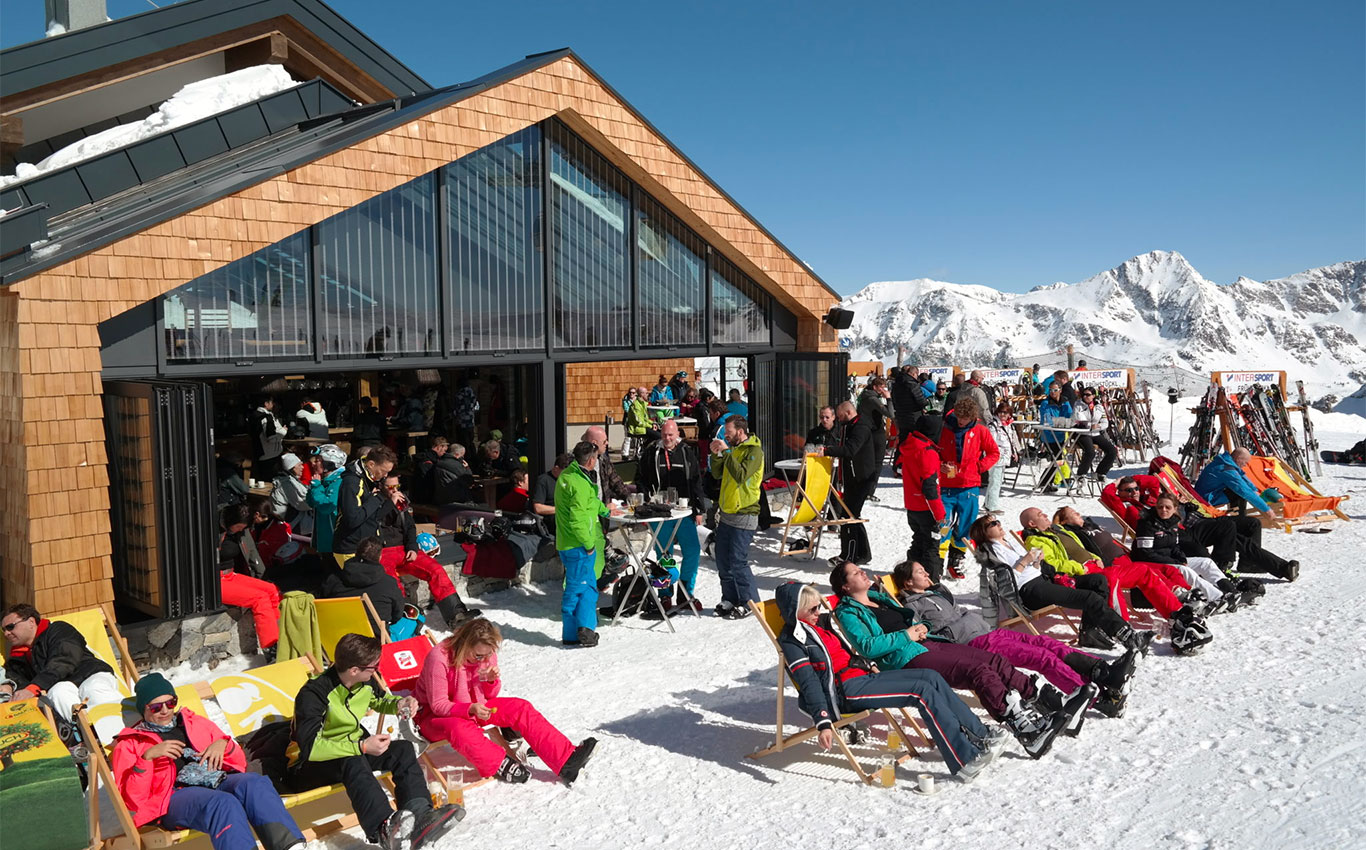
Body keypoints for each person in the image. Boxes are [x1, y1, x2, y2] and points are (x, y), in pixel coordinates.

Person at [829, 562, 1081, 755]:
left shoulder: (878, 599)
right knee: (977, 671)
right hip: (903, 659)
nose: (862, 573)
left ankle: (1045, 705)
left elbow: (913, 620)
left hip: (928, 644)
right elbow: (867, 647)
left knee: (994, 661)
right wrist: (907, 635)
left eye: (860, 569)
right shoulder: (848, 611)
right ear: (845, 586)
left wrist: (922, 626)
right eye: (854, 573)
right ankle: (1025, 731)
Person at [774, 581, 1007, 783]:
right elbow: (809, 682)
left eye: (817, 606)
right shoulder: (794, 640)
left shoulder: (820, 627)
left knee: (930, 676)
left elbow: (844, 654)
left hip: (861, 677)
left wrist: (866, 664)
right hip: (845, 691)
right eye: (812, 609)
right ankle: (963, 759)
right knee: (920, 692)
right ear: (796, 611)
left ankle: (980, 734)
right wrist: (823, 721)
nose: (818, 612)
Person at [289, 634, 464, 850]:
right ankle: (384, 829)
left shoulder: (364, 680)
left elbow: (379, 700)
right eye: (374, 667)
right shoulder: (314, 694)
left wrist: (399, 704)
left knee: (402, 750)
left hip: (351, 749)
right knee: (352, 760)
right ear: (354, 670)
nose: (377, 670)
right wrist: (361, 746)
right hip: (310, 765)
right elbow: (311, 748)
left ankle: (420, 814)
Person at [110, 673, 305, 850]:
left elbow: (238, 762)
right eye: (155, 707)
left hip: (215, 779)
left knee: (254, 782)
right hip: (171, 797)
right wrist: (147, 758)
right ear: (143, 709)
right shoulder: (130, 743)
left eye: (170, 703)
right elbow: (132, 801)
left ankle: (289, 846)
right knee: (222, 803)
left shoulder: (193, 722)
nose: (164, 711)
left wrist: (223, 745)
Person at [889, 560, 1133, 700]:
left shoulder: (935, 592)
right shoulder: (912, 607)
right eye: (920, 572)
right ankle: (1093, 698)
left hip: (988, 631)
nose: (927, 573)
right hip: (975, 643)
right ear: (908, 582)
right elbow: (925, 636)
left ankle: (1103, 673)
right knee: (1041, 658)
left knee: (1048, 644)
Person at [970, 517, 1134, 717]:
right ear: (983, 532)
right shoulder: (991, 554)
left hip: (1041, 580)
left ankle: (1099, 649)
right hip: (1030, 591)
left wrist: (1036, 562)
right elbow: (1005, 586)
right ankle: (1126, 637)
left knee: (1096, 582)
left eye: (997, 521)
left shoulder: (1010, 542)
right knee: (1086, 601)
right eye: (992, 524)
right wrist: (1025, 561)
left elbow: (1030, 569)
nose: (998, 524)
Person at [415, 618, 597, 785]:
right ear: (464, 644)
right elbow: (438, 705)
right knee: (459, 728)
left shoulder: (485, 653)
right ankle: (498, 763)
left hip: (475, 705)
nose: (483, 660)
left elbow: (491, 695)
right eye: (478, 656)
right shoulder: (439, 657)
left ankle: (566, 760)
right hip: (432, 716)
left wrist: (490, 681)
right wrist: (470, 708)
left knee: (520, 707)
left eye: (487, 655)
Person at [1051, 505, 1214, 655]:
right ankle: (1123, 628)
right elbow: (1055, 561)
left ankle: (1177, 613)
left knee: (1149, 571)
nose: (1079, 513)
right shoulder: (1055, 534)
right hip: (1092, 572)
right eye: (1073, 513)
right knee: (1114, 577)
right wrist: (1083, 566)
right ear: (1064, 520)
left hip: (1109, 564)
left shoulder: (1080, 530)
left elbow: (1087, 550)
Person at [1017, 508, 1155, 654]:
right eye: (1040, 515)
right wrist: (1079, 567)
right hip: (1059, 578)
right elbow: (1051, 564)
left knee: (1099, 581)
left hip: (1077, 571)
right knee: (1102, 585)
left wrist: (1093, 557)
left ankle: (1089, 631)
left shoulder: (1052, 532)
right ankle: (1124, 632)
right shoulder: (1035, 540)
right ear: (1032, 523)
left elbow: (1077, 550)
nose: (1045, 514)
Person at [377, 474, 481, 627]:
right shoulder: (375, 502)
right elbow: (374, 523)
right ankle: (404, 619)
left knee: (435, 570)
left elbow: (410, 527)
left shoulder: (401, 501)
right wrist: (389, 505)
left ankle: (456, 614)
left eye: (397, 487)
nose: (394, 490)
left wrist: (412, 547)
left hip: (404, 548)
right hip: (384, 549)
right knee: (393, 583)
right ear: (381, 487)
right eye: (390, 487)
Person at [1, 603, 124, 724]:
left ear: (31, 622)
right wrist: (10, 686)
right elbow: (16, 678)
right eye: (3, 630)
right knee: (57, 692)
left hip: (89, 674)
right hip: (62, 686)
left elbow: (64, 659)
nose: (6, 633)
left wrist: (34, 687)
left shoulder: (58, 630)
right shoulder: (18, 657)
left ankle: (125, 729)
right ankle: (87, 734)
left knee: (93, 689)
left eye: (10, 627)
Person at [638, 419, 707, 612]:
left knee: (692, 551)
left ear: (677, 434)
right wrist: (645, 506)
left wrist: (699, 509)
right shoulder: (652, 452)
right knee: (664, 555)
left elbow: (696, 481)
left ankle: (685, 593)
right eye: (664, 435)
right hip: (660, 512)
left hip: (684, 511)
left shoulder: (686, 452)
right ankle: (664, 594)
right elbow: (641, 479)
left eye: (671, 435)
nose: (667, 438)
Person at [555, 442, 615, 647]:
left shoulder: (571, 476)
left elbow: (591, 502)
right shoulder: (578, 483)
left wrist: (606, 510)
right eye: (596, 458)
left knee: (587, 587)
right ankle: (576, 632)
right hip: (578, 544)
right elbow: (577, 520)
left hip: (569, 542)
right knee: (577, 588)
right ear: (591, 460)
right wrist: (589, 544)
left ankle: (585, 629)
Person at [936, 397, 1000, 579]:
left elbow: (994, 453)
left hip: (969, 485)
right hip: (947, 484)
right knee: (943, 524)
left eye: (965, 419)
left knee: (966, 525)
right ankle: (937, 561)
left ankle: (956, 560)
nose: (961, 421)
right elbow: (934, 449)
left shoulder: (980, 430)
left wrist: (979, 467)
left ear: (973, 417)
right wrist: (940, 464)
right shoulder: (944, 427)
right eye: (959, 417)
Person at [707, 416, 764, 620]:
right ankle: (730, 598)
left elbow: (741, 475)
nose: (726, 436)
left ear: (740, 431)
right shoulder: (733, 449)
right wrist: (716, 455)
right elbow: (716, 473)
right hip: (727, 513)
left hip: (746, 513)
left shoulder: (754, 451)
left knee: (738, 561)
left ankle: (750, 602)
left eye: (729, 433)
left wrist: (726, 451)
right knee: (723, 560)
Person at [217, 504, 281, 653]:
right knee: (259, 598)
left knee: (271, 590)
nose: (241, 530)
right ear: (229, 521)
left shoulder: (240, 531)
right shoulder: (212, 528)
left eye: (243, 527)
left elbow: (252, 553)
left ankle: (279, 635)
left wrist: (262, 576)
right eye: (239, 526)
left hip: (230, 574)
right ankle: (271, 647)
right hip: (214, 581)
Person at [820, 401, 876, 565]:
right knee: (853, 515)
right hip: (853, 477)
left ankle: (848, 556)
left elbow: (851, 449)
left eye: (839, 415)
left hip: (862, 478)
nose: (837, 419)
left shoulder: (861, 427)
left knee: (848, 517)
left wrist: (827, 450)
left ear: (849, 412)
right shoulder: (849, 426)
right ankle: (863, 553)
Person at [321, 539, 410, 639]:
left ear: (355, 554)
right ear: (380, 557)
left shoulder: (333, 581)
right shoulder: (388, 583)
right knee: (411, 621)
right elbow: (397, 615)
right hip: (374, 643)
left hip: (340, 640)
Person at [332, 445, 400, 568]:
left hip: (366, 546)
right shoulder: (352, 482)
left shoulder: (368, 480)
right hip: (350, 547)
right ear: (371, 464)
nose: (385, 476)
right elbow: (352, 519)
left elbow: (372, 516)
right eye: (383, 471)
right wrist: (376, 499)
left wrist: (388, 502)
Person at [899, 414, 946, 581]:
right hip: (926, 508)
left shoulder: (911, 445)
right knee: (931, 546)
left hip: (912, 505)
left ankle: (910, 577)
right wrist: (940, 514)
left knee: (918, 541)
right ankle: (932, 582)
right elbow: (929, 487)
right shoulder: (928, 451)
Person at [306, 444, 347, 554]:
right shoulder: (325, 481)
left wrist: (317, 487)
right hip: (324, 539)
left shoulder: (339, 481)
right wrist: (314, 487)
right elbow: (311, 502)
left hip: (333, 543)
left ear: (329, 463)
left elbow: (327, 506)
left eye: (318, 461)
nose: (313, 464)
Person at [1072, 387, 1117, 481]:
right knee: (1090, 451)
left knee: (1112, 450)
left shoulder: (1099, 407)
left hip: (1095, 433)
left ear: (1093, 396)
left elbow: (1105, 422)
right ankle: (1081, 474)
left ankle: (1100, 472)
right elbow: (1078, 419)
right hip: (1082, 433)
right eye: (1083, 394)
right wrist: (1089, 425)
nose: (1085, 397)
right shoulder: (1078, 404)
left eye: (1088, 395)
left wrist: (1098, 426)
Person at [1037, 382, 1073, 492]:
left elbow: (1070, 417)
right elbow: (1047, 421)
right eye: (1051, 390)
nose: (1053, 393)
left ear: (1060, 390)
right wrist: (1063, 422)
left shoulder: (1065, 402)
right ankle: (1045, 482)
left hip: (1061, 435)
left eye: (1055, 390)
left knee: (1058, 459)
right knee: (1058, 459)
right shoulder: (1045, 403)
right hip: (1049, 436)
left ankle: (1046, 482)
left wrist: (1062, 421)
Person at [579, 426, 632, 502]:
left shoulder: (603, 459)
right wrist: (604, 509)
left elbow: (615, 481)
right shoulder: (580, 463)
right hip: (591, 510)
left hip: (604, 509)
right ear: (594, 443)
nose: (607, 443)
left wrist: (630, 498)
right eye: (604, 441)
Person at [984, 401, 1019, 513]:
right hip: (995, 457)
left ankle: (988, 503)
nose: (1003, 415)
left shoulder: (1008, 425)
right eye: (1001, 412)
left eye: (1005, 412)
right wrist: (994, 455)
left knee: (997, 480)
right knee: (995, 480)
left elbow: (1011, 440)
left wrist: (1014, 452)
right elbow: (991, 443)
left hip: (1004, 456)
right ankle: (992, 506)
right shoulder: (993, 425)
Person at [530, 453, 572, 537]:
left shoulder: (570, 481)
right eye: (565, 473)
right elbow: (538, 508)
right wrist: (562, 509)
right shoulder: (544, 480)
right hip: (552, 523)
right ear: (556, 469)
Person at [270, 453, 313, 535]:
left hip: (294, 519)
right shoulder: (285, 484)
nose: (302, 467)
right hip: (291, 523)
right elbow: (302, 504)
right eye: (299, 465)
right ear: (292, 467)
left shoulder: (290, 480)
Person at [856, 376, 891, 472]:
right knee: (877, 461)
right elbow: (889, 413)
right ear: (875, 387)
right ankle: (871, 484)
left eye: (884, 387)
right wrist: (888, 399)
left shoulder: (866, 395)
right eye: (881, 387)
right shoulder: (872, 399)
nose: (883, 390)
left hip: (867, 429)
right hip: (875, 431)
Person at [248, 395, 287, 480]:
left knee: (263, 479)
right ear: (266, 404)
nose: (273, 404)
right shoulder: (266, 418)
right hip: (270, 454)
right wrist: (283, 432)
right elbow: (271, 438)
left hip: (259, 452)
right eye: (271, 402)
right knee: (273, 480)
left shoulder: (253, 416)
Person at [890, 365, 927, 448]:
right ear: (914, 374)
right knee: (915, 440)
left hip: (901, 416)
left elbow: (893, 400)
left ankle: (900, 458)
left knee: (903, 440)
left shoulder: (896, 384)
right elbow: (920, 401)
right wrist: (926, 402)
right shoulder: (912, 384)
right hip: (914, 416)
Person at [622, 388, 649, 460]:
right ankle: (625, 454)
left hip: (636, 423)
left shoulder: (640, 401)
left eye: (633, 393)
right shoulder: (626, 400)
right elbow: (626, 409)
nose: (631, 394)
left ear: (636, 394)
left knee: (637, 440)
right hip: (628, 421)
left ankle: (636, 453)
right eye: (630, 392)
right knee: (628, 438)